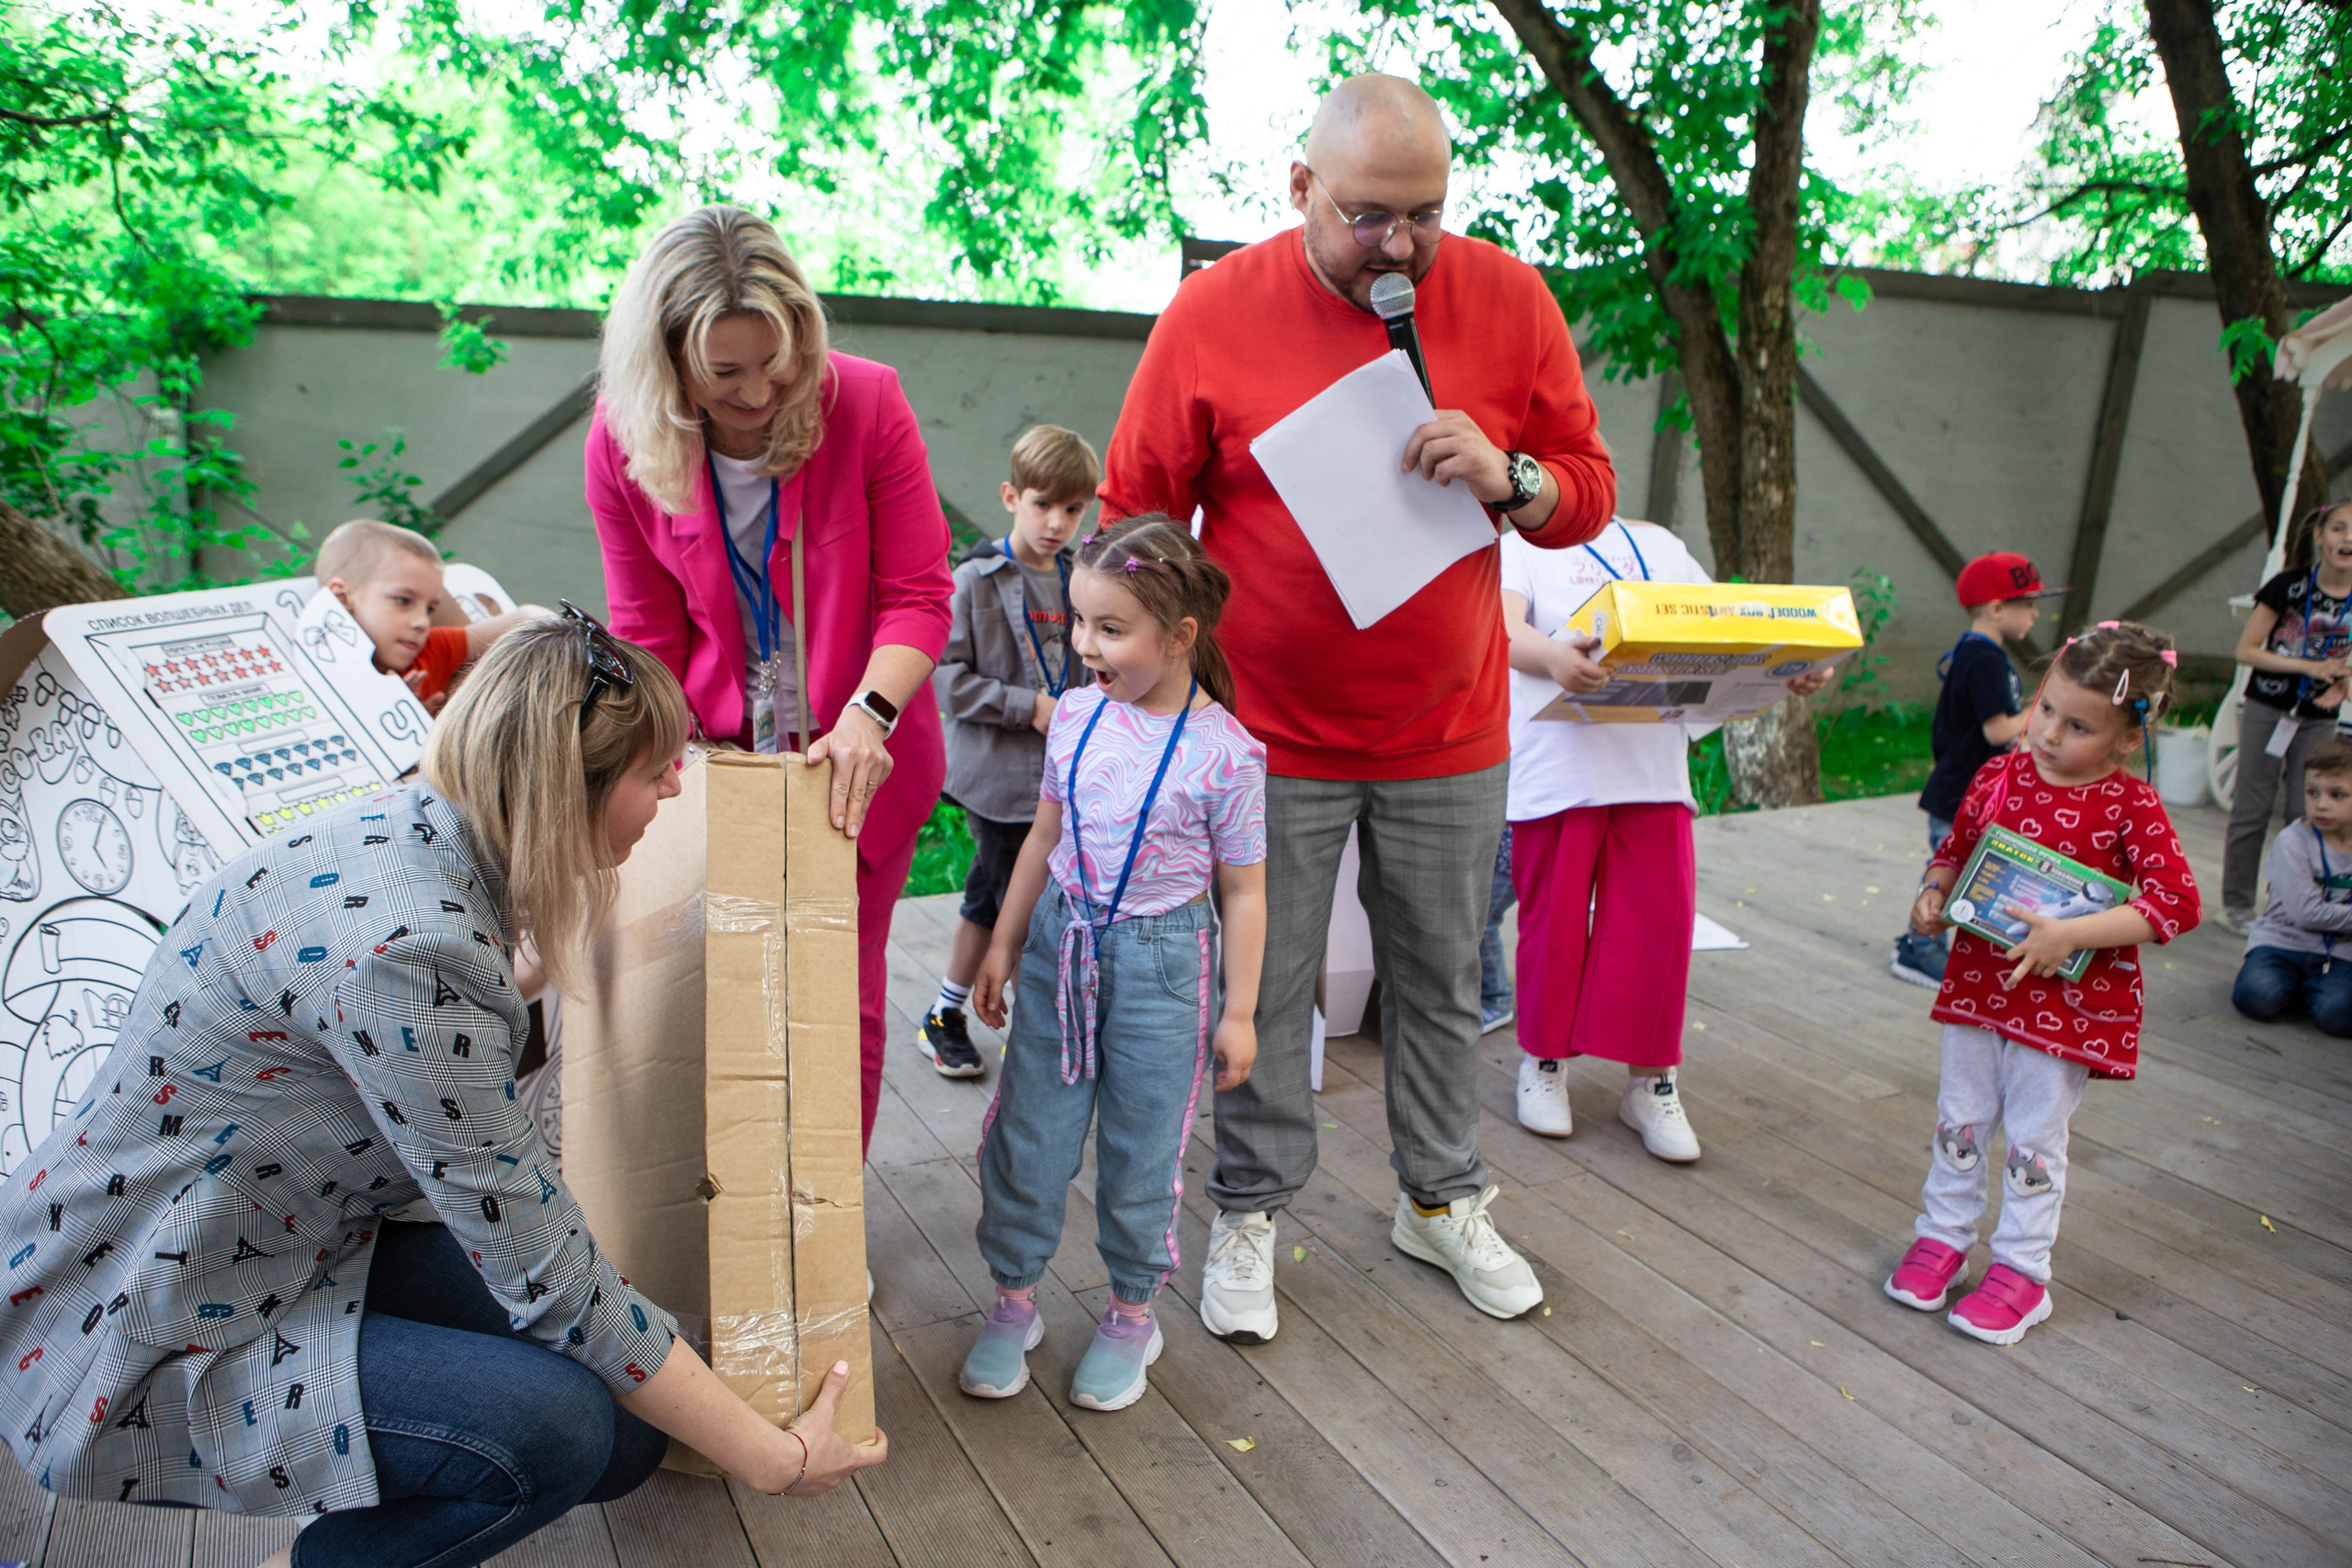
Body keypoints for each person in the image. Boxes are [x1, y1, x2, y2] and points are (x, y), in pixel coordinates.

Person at [0, 615, 884, 1567]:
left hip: (285, 1237)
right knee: (564, 1431)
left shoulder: (415, 831)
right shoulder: (410, 958)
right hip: (151, 1311)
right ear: (560, 790)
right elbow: (552, 1279)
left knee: (627, 1438)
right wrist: (775, 1459)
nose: (676, 785)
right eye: (653, 769)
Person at [1100, 73, 1614, 1337]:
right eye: (1369, 215)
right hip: (1261, 729)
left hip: (1449, 725)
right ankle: (1250, 1205)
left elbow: (1587, 487)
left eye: (1425, 213)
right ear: (1299, 190)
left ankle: (1439, 1200)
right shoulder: (1213, 311)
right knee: (1263, 987)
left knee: (1440, 977)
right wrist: (1156, 659)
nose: (1402, 244)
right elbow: (1133, 511)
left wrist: (1516, 477)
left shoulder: (1506, 297)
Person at [587, 204, 954, 1152]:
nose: (760, 392)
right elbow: (644, 632)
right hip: (719, 758)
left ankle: (828, 1218)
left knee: (840, 989)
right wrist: (664, 761)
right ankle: (746, 1204)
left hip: (859, 756)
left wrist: (868, 713)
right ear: (668, 366)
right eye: (726, 373)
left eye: (778, 361)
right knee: (732, 989)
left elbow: (917, 594)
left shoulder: (865, 404)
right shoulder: (620, 443)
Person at [961, 516, 1267, 1412]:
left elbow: (1243, 892)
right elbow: (1044, 834)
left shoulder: (1227, 757)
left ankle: (1133, 1311)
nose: (1085, 647)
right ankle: (1015, 1298)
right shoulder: (1078, 718)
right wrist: (1005, 941)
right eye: (1080, 623)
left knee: (1141, 1150)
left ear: (1178, 639)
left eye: (1110, 629)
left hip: (1163, 964)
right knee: (1031, 1130)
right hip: (1062, 940)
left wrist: (1238, 1010)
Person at [1888, 622, 2198, 1346]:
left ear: (2128, 737)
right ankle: (1944, 1235)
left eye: (2080, 724)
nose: (2051, 734)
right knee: (1959, 1119)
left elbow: (2175, 902)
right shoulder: (1998, 776)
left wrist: (2072, 935)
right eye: (2047, 709)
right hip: (1979, 989)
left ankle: (2023, 1272)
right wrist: (1933, 893)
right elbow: (1956, 849)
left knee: (2033, 1138)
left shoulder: (2133, 807)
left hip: (2064, 1011)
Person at [1501, 518, 1834, 1160]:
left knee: (1660, 924)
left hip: (1654, 767)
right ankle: (1544, 1062)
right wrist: (1550, 657)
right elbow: (1499, 624)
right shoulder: (1515, 542)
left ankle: (1651, 1078)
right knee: (1555, 923)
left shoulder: (1659, 545)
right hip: (1557, 766)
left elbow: (1723, 636)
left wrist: (1785, 666)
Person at [920, 424, 1100, 1079]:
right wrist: (1032, 708)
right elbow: (945, 678)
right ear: (1009, 496)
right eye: (1041, 503)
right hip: (998, 782)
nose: (1056, 522)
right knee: (1020, 905)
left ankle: (944, 1014)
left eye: (1074, 509)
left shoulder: (1082, 577)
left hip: (1060, 780)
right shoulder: (973, 581)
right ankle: (1039, 1037)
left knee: (987, 897)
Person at [1890, 552, 2055, 988]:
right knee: (1948, 871)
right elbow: (1999, 729)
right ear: (1998, 608)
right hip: (1961, 793)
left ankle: (1932, 944)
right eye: (2029, 604)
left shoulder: (1977, 652)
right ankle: (1918, 950)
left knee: (1964, 868)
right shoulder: (1984, 659)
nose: (2036, 614)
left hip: (1968, 791)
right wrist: (2045, 710)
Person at [2220, 500, 2352, 932]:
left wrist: (2343, 684)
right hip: (2269, 707)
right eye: (2338, 529)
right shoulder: (2288, 586)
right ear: (2319, 536)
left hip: (2318, 717)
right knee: (2251, 807)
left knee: (2309, 811)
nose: (2347, 539)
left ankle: (2291, 902)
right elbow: (2246, 651)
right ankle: (2237, 904)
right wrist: (2310, 668)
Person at [313, 518, 543, 714]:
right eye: (403, 601)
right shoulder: (317, 685)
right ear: (342, 598)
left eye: (430, 609)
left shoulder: (429, 651)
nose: (422, 622)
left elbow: (523, 618)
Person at [2232, 737, 2352, 1034]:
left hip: (2342, 950)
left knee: (2338, 1017)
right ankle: (2304, 987)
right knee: (2257, 997)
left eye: (2338, 795)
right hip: (2282, 942)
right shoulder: (2293, 841)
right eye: (2312, 793)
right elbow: (2306, 913)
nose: (2321, 804)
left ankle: (2312, 990)